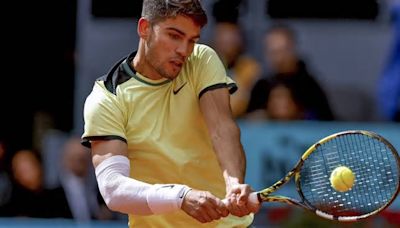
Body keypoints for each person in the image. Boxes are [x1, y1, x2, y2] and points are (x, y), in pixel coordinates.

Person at [81, 0, 260, 227]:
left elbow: (222, 129)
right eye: (174, 36)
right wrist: (180, 197)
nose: (183, 50)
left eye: (192, 40)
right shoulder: (108, 97)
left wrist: (233, 183)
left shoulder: (202, 60)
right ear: (145, 28)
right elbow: (113, 189)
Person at [247, 23, 334, 121]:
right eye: (273, 52)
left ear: (293, 49)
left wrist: (297, 115)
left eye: (282, 51)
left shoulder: (310, 87)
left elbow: (326, 123)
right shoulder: (261, 87)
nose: (279, 58)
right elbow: (249, 122)